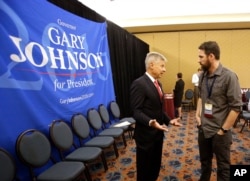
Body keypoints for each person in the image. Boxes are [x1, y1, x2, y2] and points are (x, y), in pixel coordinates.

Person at [130, 52, 182, 181]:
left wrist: (170, 121)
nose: (165, 70)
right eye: (162, 66)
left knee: (155, 167)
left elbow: (158, 110)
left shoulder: (158, 84)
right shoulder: (139, 84)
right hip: (145, 137)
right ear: (151, 65)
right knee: (144, 171)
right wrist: (150, 122)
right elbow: (136, 111)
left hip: (158, 134)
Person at [195, 41, 242, 181]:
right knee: (205, 163)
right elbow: (202, 98)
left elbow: (236, 107)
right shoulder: (202, 75)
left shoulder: (229, 76)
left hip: (220, 132)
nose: (198, 60)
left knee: (223, 167)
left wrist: (223, 130)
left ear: (211, 56)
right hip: (204, 129)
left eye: (201, 57)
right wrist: (198, 116)